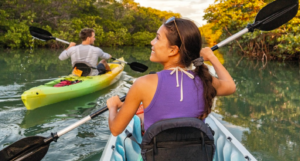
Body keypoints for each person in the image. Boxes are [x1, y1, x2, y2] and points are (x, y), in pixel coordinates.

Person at [106, 17, 236, 136]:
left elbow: (116, 130)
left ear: (173, 50)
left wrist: (113, 107)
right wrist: (212, 57)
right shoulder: (205, 80)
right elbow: (230, 86)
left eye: (157, 38)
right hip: (196, 154)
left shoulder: (143, 84)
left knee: (141, 119)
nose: (152, 42)